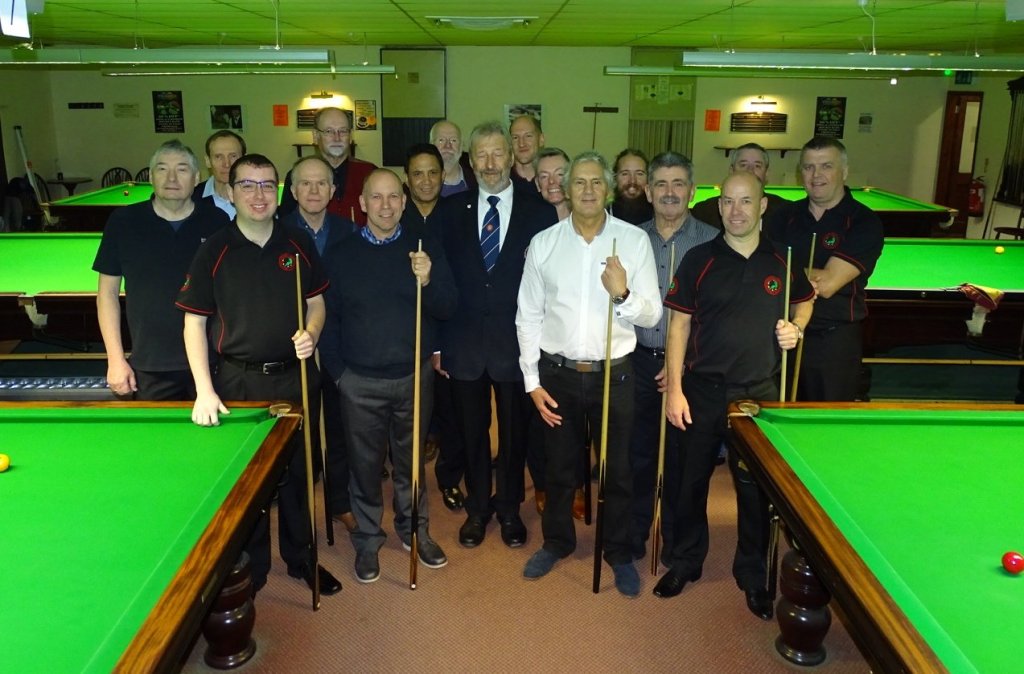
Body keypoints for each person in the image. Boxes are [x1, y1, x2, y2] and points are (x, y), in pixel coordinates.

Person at [176, 153, 342, 596]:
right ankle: (254, 569)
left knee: (300, 474)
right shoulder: (214, 249)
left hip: (295, 378)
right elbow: (193, 323)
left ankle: (302, 559)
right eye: (247, 185)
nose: (259, 194)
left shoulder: (297, 242)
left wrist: (312, 333)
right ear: (231, 193)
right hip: (239, 382)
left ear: (278, 192)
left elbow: (317, 303)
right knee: (249, 483)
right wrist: (204, 391)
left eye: (268, 185)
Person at [658, 171, 814, 619]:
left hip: (758, 396)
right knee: (689, 483)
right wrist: (674, 390)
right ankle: (686, 561)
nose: (736, 210)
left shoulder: (783, 258)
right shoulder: (699, 259)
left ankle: (751, 573)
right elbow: (679, 326)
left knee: (755, 490)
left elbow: (805, 300)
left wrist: (796, 327)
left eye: (746, 201)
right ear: (719, 206)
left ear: (762, 206)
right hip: (701, 391)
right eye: (727, 201)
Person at [516, 150, 662, 597]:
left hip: (614, 375)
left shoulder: (632, 241)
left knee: (617, 471)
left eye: (596, 182)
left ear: (609, 189)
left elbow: (652, 314)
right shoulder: (544, 243)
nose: (587, 190)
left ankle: (618, 551)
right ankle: (557, 541)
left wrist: (623, 295)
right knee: (559, 469)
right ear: (566, 188)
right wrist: (532, 381)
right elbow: (528, 315)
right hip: (557, 374)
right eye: (579, 182)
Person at [319, 169, 457, 584]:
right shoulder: (340, 254)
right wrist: (340, 375)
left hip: (413, 376)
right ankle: (366, 538)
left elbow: (447, 307)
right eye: (376, 197)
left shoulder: (424, 247)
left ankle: (415, 530)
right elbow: (327, 320)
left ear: (404, 201)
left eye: (393, 196)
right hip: (359, 380)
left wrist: (428, 279)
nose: (385, 205)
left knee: (410, 464)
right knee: (364, 467)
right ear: (362, 204)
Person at [436, 121, 558, 549]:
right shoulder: (451, 211)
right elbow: (441, 280)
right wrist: (439, 344)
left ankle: (508, 509)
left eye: (497, 153)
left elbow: (548, 285)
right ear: (471, 161)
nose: (490, 163)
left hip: (516, 345)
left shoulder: (539, 212)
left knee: (514, 435)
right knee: (471, 434)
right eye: (481, 155)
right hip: (464, 343)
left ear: (511, 156)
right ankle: (477, 510)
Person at [627, 152, 718, 562]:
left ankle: (679, 543)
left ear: (692, 191)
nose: (669, 192)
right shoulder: (631, 239)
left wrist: (679, 364)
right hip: (638, 362)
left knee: (684, 462)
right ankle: (633, 535)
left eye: (678, 183)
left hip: (690, 368)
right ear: (648, 191)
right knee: (637, 455)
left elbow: (716, 316)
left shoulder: (712, 242)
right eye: (661, 184)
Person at [94, 139, 228, 401]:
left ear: (196, 178)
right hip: (150, 363)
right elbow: (107, 294)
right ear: (151, 177)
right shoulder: (124, 222)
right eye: (162, 169)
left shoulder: (216, 220)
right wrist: (115, 359)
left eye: (182, 169)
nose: (172, 178)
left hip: (211, 359)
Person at [763, 137, 884, 401]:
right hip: (781, 335)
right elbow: (762, 268)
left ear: (844, 171)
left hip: (832, 342)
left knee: (827, 419)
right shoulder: (782, 217)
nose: (816, 175)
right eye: (808, 167)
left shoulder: (864, 222)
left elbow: (827, 284)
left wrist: (782, 271)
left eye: (826, 166)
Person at [282, 155, 358, 534]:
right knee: (300, 434)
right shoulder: (277, 232)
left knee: (340, 431)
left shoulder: (350, 231)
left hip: (340, 346)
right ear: (294, 190)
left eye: (321, 183)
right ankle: (300, 511)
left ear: (332, 190)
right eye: (305, 183)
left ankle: (340, 502)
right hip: (295, 348)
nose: (313, 190)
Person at [400, 143, 468, 513]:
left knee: (452, 413)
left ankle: (449, 477)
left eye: (433, 173)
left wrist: (442, 345)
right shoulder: (395, 214)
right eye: (417, 174)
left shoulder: (458, 214)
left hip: (449, 329)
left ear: (444, 176)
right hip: (404, 333)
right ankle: (406, 483)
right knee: (407, 417)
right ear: (406, 179)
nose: (426, 181)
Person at [280, 107, 376, 226]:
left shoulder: (370, 174)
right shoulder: (298, 175)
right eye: (329, 131)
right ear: (316, 136)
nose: (337, 138)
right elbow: (286, 224)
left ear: (351, 136)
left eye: (343, 131)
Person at [689, 143, 788, 229]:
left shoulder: (785, 212)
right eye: (743, 165)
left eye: (757, 166)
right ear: (731, 171)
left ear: (766, 173)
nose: (750, 171)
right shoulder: (704, 212)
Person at [192, 130, 245, 219]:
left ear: (244, 160)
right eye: (218, 157)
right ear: (208, 161)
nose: (227, 164)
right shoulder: (191, 197)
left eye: (233, 156)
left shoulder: (258, 196)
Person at [430, 119, 477, 197]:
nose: (448, 146)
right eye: (441, 140)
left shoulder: (477, 180)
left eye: (453, 140)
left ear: (461, 146)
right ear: (431, 145)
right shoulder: (419, 184)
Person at [608, 149, 653, 225]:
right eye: (625, 174)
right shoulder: (603, 214)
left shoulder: (659, 215)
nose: (632, 181)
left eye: (639, 174)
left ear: (648, 178)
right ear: (615, 178)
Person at [534, 147, 571, 221]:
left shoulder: (587, 219)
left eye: (559, 174)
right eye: (544, 176)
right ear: (537, 184)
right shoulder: (528, 223)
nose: (551, 181)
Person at [509, 115, 545, 187]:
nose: (521, 144)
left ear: (541, 139)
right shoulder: (502, 181)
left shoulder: (552, 182)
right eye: (515, 137)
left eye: (528, 136)